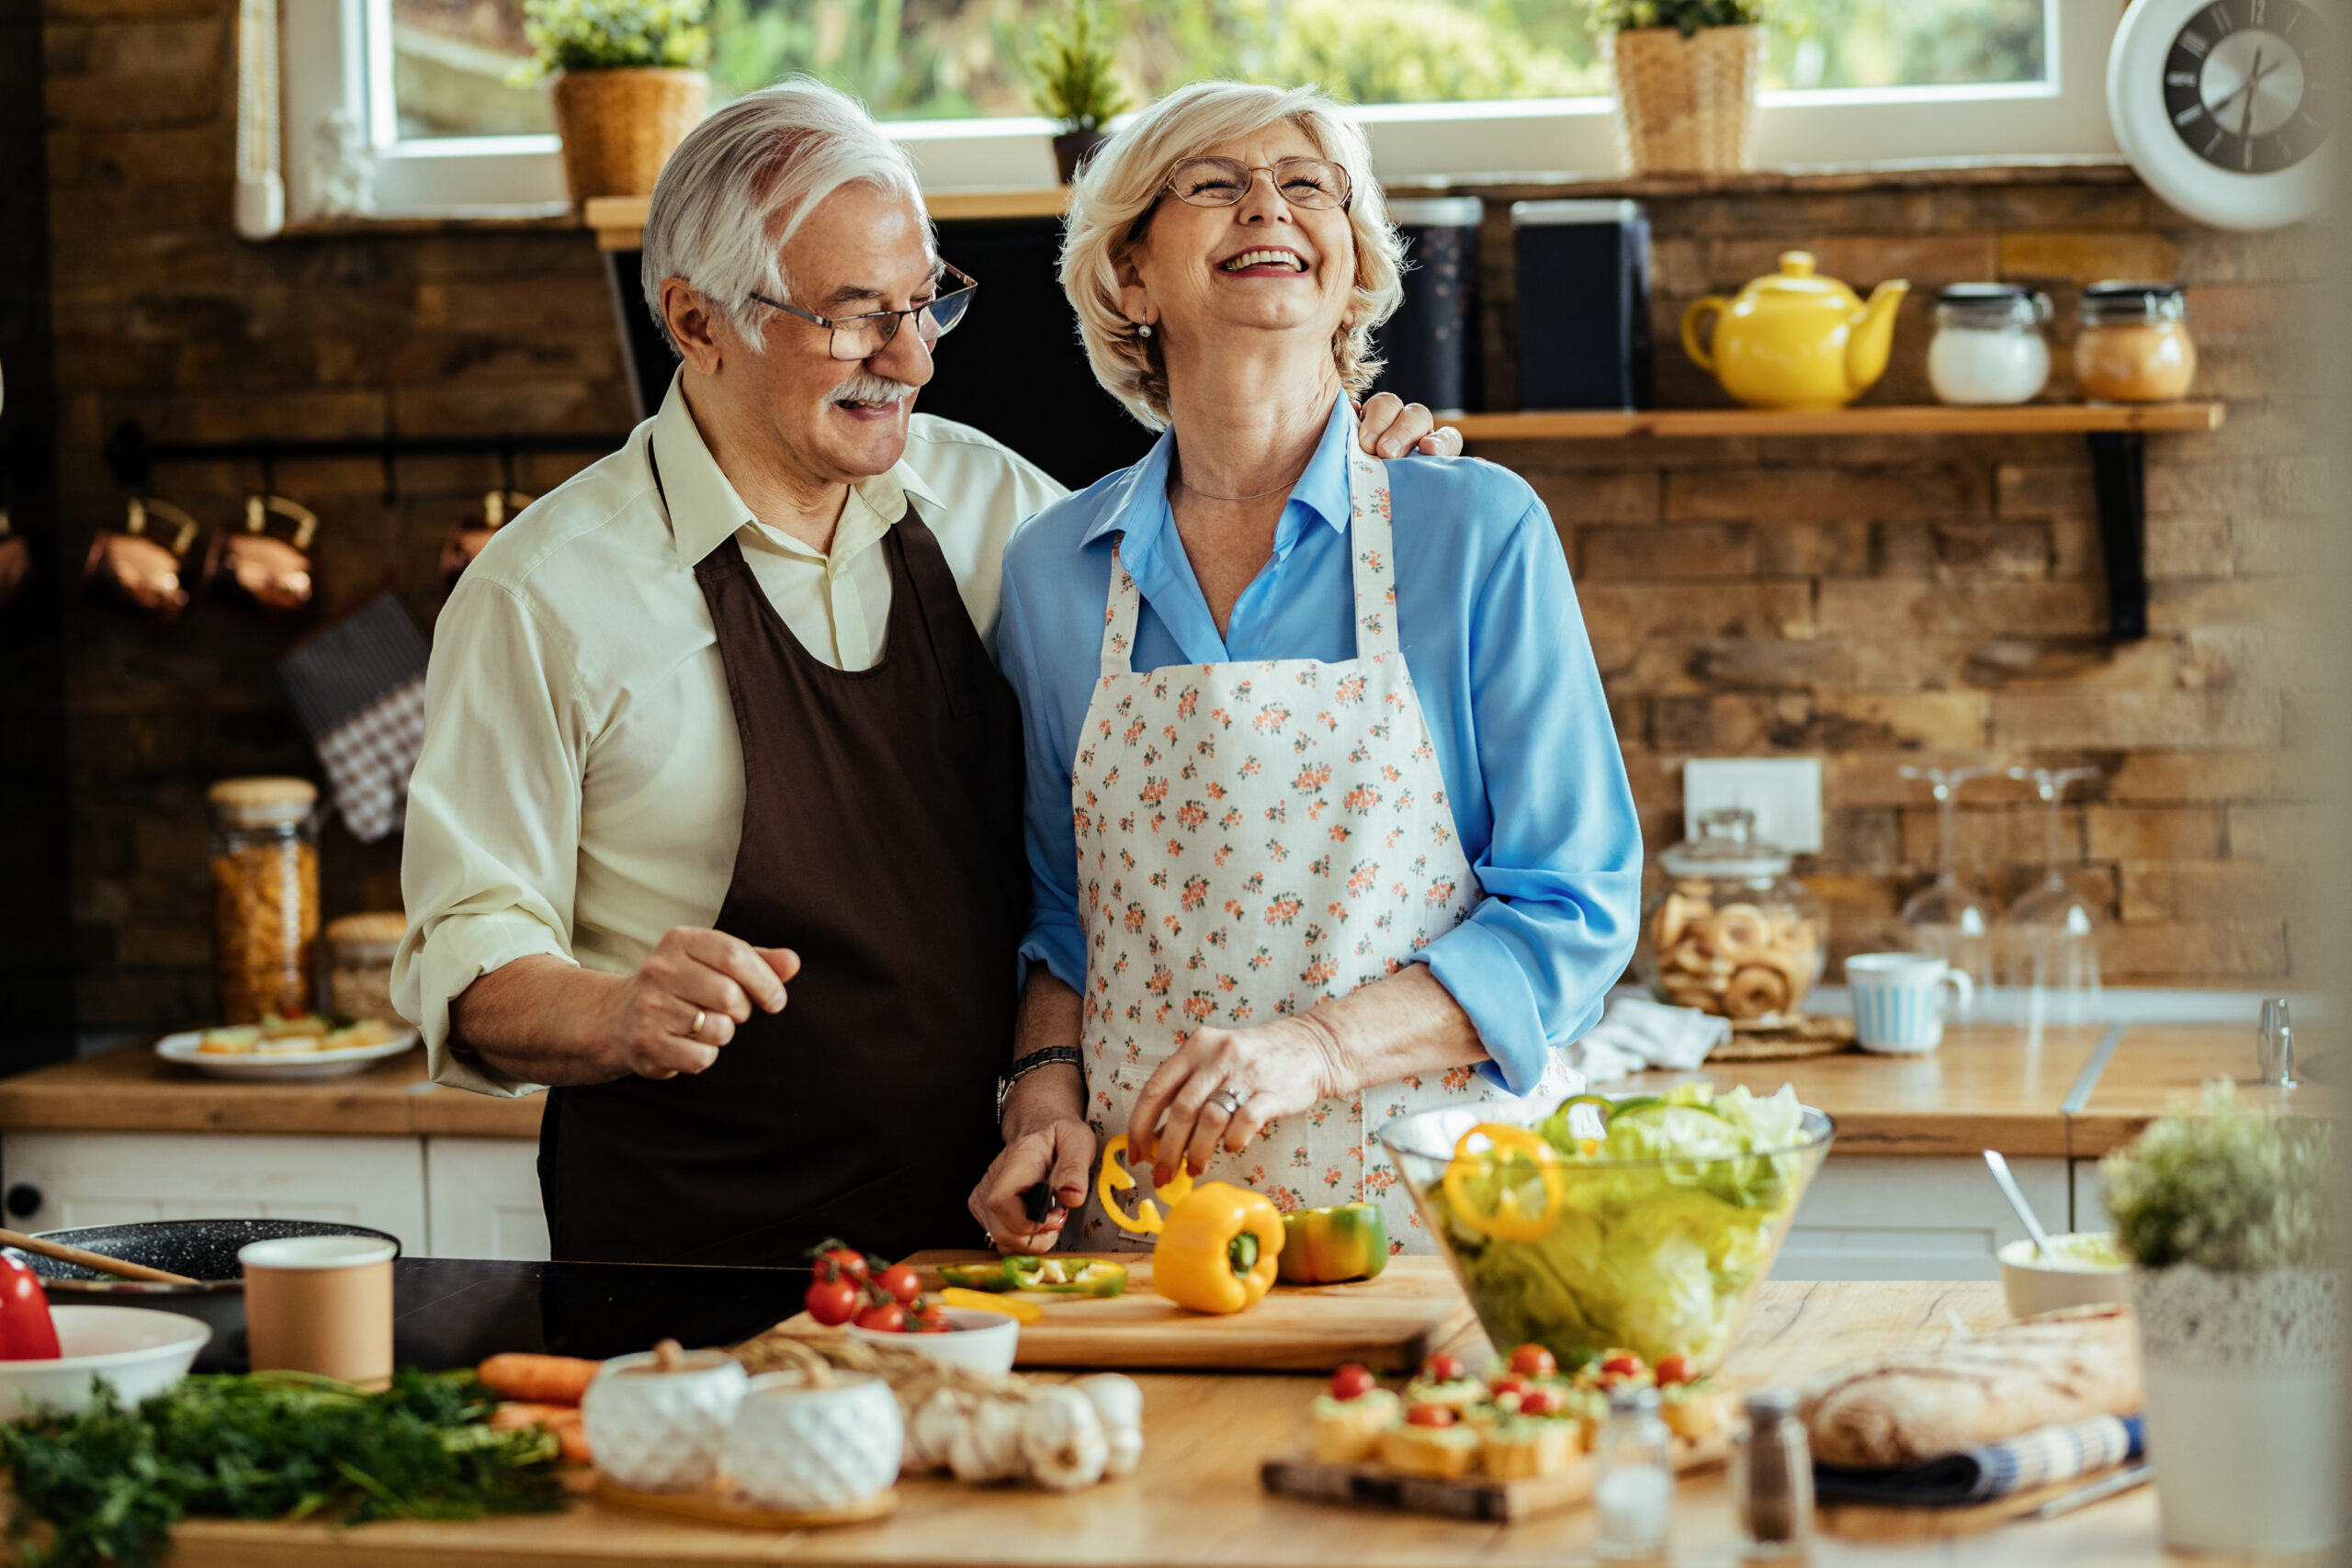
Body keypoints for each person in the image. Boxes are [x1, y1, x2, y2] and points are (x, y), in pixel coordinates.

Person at [393, 79, 1462, 1267]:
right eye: (853, 318)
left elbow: (1214, 626)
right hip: (695, 1251)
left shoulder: (1000, 510)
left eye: (925, 305)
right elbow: (466, 947)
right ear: (695, 322)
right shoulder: (544, 593)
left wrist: (1355, 472)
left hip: (994, 1232)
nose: (910, 360)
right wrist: (609, 1011)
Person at [969, 82, 1643, 1257]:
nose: (1268, 206)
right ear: (1130, 280)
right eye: (1216, 184)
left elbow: (1575, 910)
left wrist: (1317, 1048)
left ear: (1348, 264)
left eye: (1307, 185)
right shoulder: (1052, 571)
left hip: (1425, 1217)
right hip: (1145, 1233)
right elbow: (1064, 917)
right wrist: (1041, 1093)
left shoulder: (1474, 531)